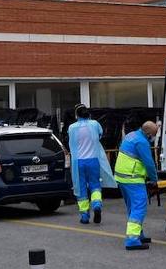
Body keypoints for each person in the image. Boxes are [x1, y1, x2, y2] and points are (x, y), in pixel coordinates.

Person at [114, 121, 159, 251]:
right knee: (139, 206)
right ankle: (133, 240)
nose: (154, 138)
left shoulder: (131, 135)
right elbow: (149, 163)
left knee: (132, 207)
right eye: (154, 134)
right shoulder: (142, 142)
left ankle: (138, 234)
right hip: (132, 177)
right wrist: (155, 179)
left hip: (121, 176)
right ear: (149, 133)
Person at [67, 105, 115, 225]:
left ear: (76, 115)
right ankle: (97, 204)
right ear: (88, 114)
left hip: (78, 162)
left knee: (81, 187)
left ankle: (84, 216)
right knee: (95, 185)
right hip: (93, 160)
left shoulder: (72, 127)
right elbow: (100, 135)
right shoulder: (94, 124)